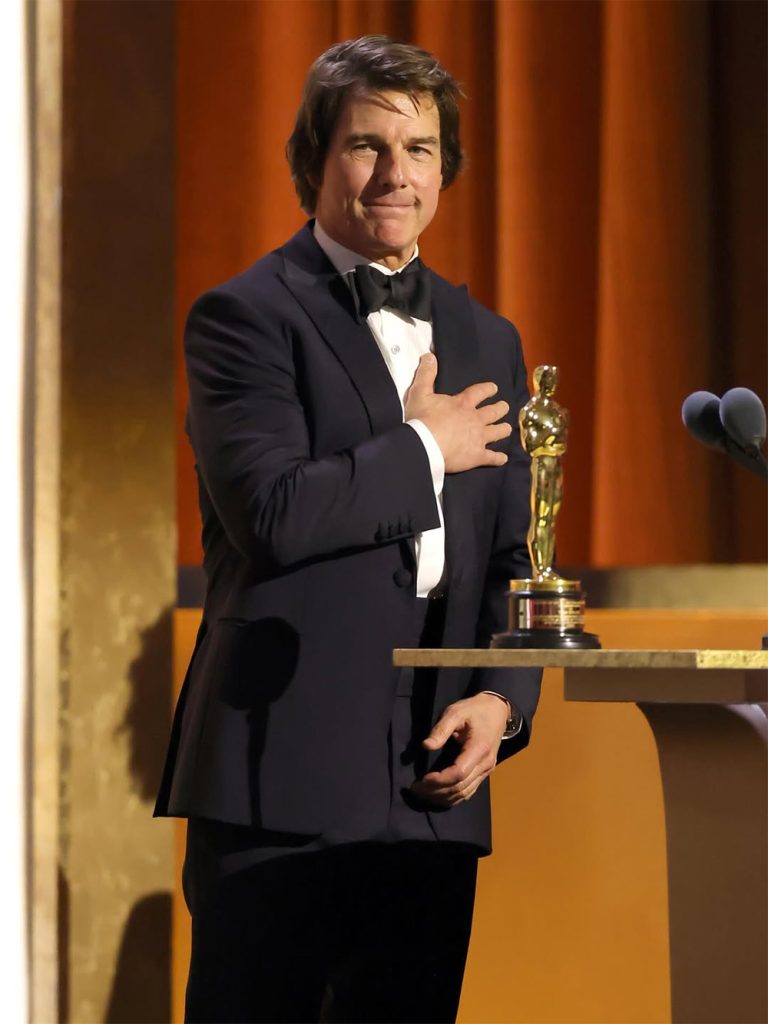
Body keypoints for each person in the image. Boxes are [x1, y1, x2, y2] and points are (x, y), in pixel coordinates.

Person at [155, 35, 542, 1024]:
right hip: (280, 773)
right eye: (367, 146)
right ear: (315, 163)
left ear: (446, 168)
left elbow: (511, 558)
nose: (395, 174)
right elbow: (272, 510)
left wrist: (503, 702)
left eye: (419, 149)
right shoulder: (241, 317)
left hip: (431, 791)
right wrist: (422, 449)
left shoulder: (487, 337)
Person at [519, 364, 569, 579]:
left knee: (551, 519)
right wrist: (549, 436)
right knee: (540, 518)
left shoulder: (557, 410)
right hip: (540, 465)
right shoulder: (531, 411)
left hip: (555, 464)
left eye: (553, 379)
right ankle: (540, 570)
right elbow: (529, 443)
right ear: (538, 381)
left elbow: (563, 440)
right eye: (547, 379)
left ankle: (548, 567)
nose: (551, 383)